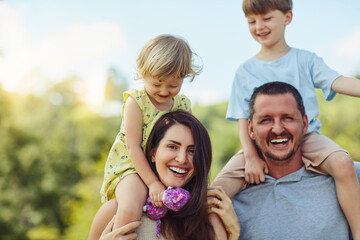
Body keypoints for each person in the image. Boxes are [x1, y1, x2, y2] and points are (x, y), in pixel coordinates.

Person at [212, 0, 360, 237]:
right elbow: (243, 119)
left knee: (343, 163)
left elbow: (337, 81)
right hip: (256, 145)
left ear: (287, 17)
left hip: (307, 137)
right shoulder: (244, 70)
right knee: (213, 194)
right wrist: (250, 156)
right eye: (252, 21)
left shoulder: (305, 60)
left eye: (267, 18)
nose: (259, 26)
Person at [220, 81, 360, 239]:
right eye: (266, 120)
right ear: (251, 129)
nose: (278, 129)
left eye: (287, 118)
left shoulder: (350, 178)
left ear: (305, 124)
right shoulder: (230, 202)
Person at [99, 34, 201, 231]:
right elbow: (133, 147)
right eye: (156, 84)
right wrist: (153, 183)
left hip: (166, 164)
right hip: (132, 167)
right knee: (129, 207)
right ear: (143, 73)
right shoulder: (136, 102)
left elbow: (189, 143)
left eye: (173, 85)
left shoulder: (182, 104)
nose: (164, 91)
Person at [89, 111, 240, 240]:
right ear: (153, 153)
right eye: (172, 147)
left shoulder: (207, 215)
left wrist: (233, 233)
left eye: (192, 151)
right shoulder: (115, 212)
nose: (182, 159)